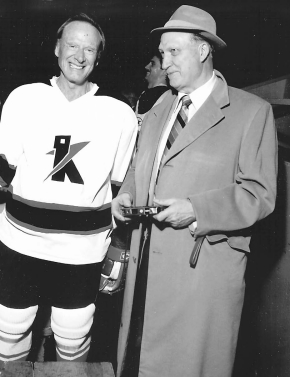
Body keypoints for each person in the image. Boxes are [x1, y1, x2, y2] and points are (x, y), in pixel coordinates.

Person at [112, 5, 277, 377]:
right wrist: (126, 193)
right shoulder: (158, 109)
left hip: (200, 272)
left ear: (203, 50)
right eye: (163, 53)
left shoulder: (251, 112)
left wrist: (196, 208)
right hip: (147, 267)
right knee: (141, 362)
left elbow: (259, 194)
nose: (164, 61)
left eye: (174, 52)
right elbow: (142, 166)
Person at [0, 13, 137, 362]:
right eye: (72, 45)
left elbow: (121, 187)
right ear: (58, 48)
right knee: (9, 328)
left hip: (83, 249)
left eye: (89, 49)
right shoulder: (23, 98)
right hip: (20, 241)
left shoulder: (119, 114)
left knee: (73, 334)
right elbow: (3, 170)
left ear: (98, 57)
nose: (79, 55)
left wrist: (119, 248)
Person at [135, 53, 169, 132]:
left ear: (164, 70)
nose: (146, 67)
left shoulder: (168, 97)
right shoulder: (144, 94)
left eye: (153, 64)